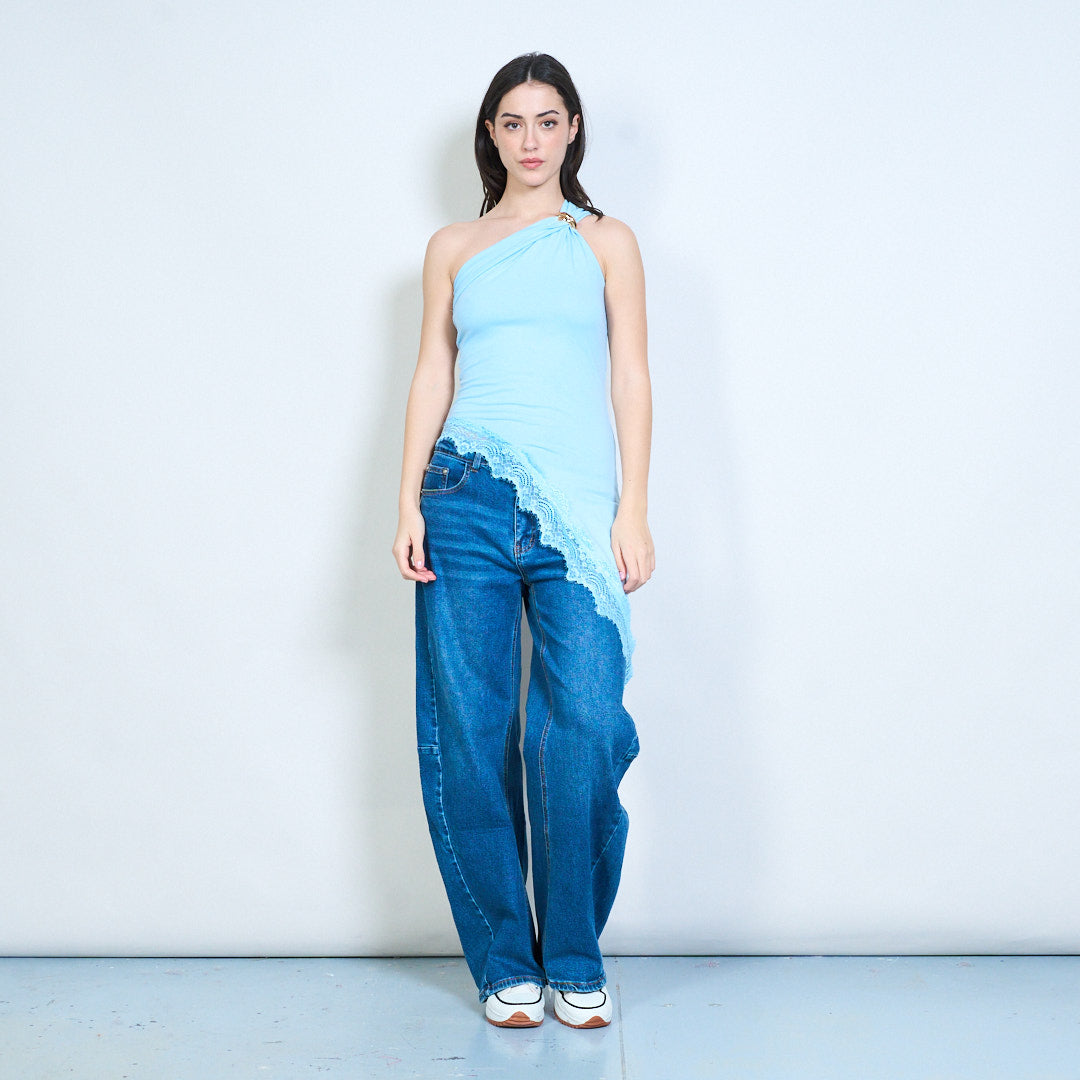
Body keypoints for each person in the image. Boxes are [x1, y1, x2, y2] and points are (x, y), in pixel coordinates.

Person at [392, 52, 654, 1030]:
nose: (531, 139)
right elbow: (432, 372)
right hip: (461, 493)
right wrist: (407, 500)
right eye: (513, 122)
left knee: (582, 723)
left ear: (573, 129)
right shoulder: (453, 246)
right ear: (491, 134)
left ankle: (574, 954)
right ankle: (506, 959)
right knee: (471, 729)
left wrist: (633, 507)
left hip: (576, 510)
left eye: (549, 120)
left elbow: (630, 374)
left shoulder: (606, 241)